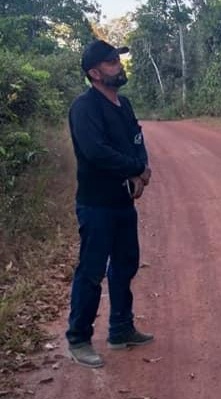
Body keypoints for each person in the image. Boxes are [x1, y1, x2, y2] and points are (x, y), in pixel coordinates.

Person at [66, 40, 154, 368]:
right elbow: (95, 152)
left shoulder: (124, 104)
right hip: (96, 204)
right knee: (91, 271)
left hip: (122, 203)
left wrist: (141, 171)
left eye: (118, 59)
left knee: (125, 264)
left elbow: (136, 141)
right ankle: (78, 338)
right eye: (111, 61)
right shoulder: (84, 107)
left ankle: (120, 329)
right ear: (94, 73)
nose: (118, 64)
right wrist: (135, 169)